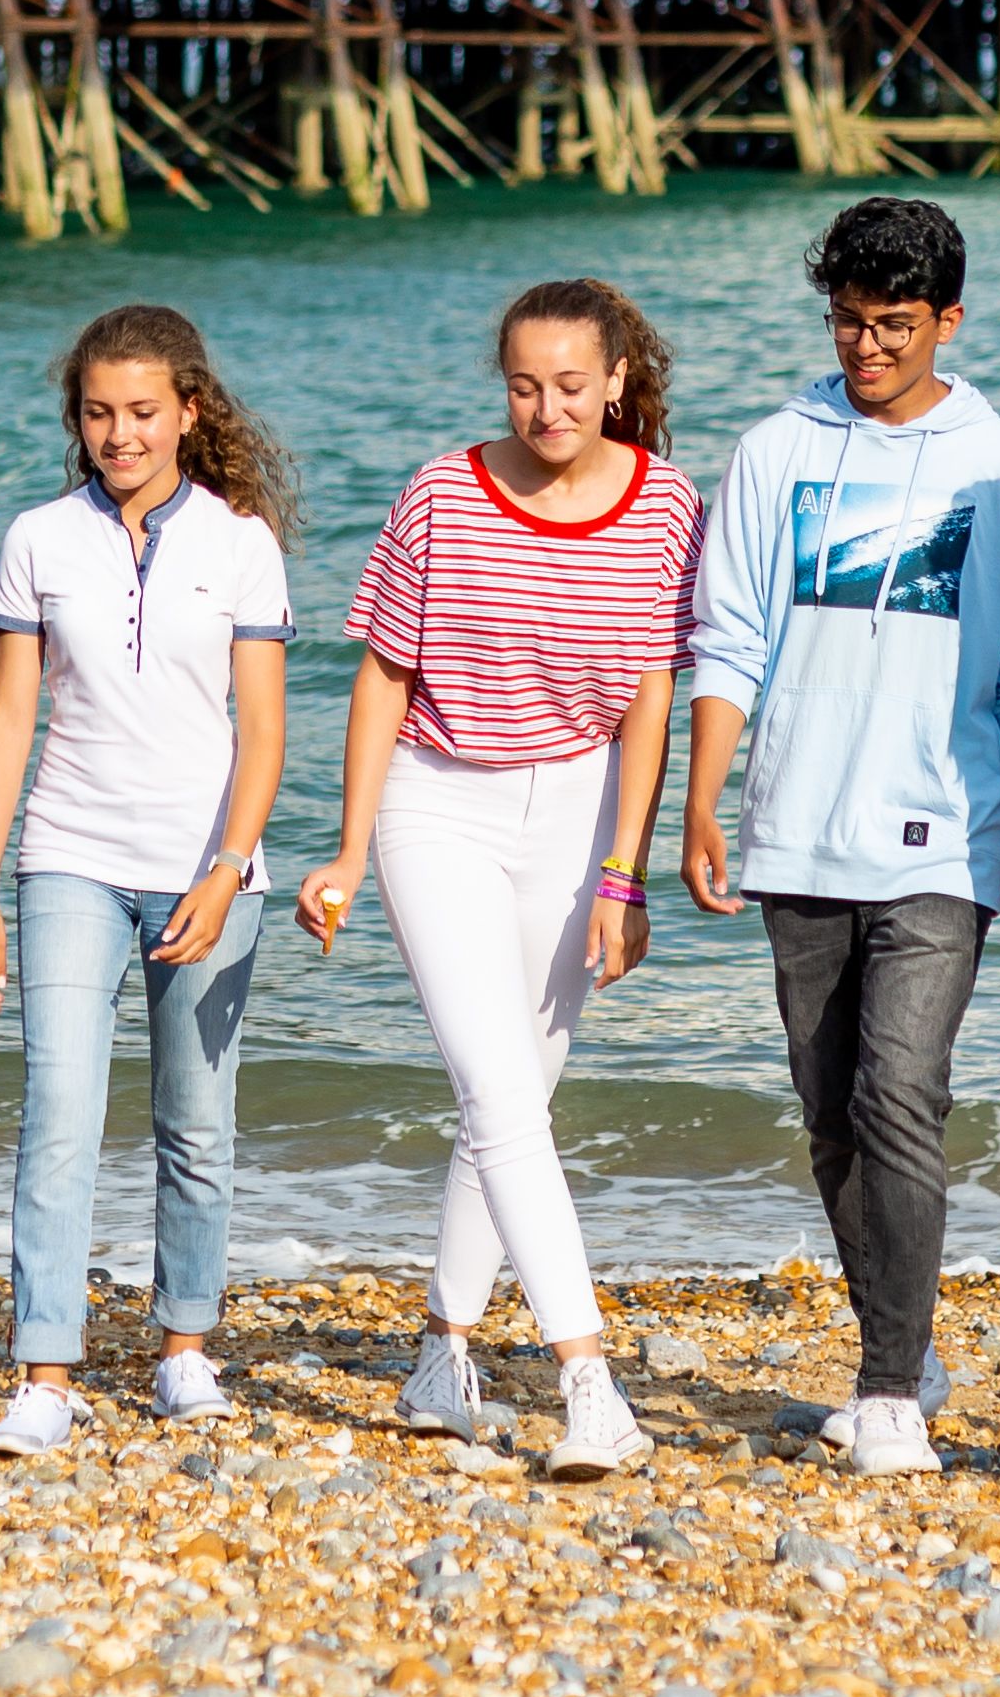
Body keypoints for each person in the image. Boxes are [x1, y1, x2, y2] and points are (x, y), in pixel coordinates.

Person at [676, 195, 1000, 1478]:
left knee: (900, 1095)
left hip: (946, 834)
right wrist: (702, 798)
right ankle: (900, 1340)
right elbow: (729, 638)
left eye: (894, 327)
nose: (866, 349)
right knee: (831, 1116)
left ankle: (890, 1387)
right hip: (795, 829)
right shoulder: (772, 451)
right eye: (848, 324)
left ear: (948, 320)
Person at [291, 280, 696, 1481]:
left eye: (572, 385)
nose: (547, 407)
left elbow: (650, 702)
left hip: (577, 814)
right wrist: (351, 849)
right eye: (524, 385)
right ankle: (591, 1385)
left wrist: (626, 871)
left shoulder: (669, 504)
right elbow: (382, 677)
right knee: (502, 1095)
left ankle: (439, 1353)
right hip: (440, 804)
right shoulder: (440, 492)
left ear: (617, 378)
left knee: (510, 1099)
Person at [0, 303, 296, 1453]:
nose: (120, 433)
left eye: (143, 412)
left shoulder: (243, 544)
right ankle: (44, 1371)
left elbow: (262, 733)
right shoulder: (38, 539)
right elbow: (8, 720)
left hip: (210, 870)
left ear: (189, 414)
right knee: (58, 1111)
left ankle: (184, 1349)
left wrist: (227, 867)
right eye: (99, 413)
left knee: (195, 1122)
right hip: (70, 857)